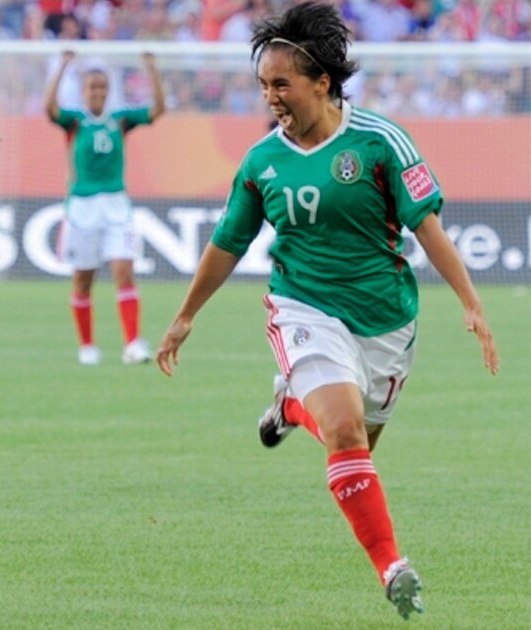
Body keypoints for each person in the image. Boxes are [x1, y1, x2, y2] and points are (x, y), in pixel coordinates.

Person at [155, 1, 498, 620]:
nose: (271, 96)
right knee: (342, 429)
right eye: (263, 85)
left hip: (387, 320)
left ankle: (290, 406)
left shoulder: (379, 141)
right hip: (302, 307)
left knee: (358, 441)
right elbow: (228, 242)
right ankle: (392, 566)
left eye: (281, 83)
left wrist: (471, 303)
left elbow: (427, 225)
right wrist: (185, 316)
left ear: (323, 81)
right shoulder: (263, 161)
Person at [44, 50, 165, 366]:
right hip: (82, 208)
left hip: (117, 207)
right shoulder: (74, 121)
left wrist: (151, 69)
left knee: (124, 271)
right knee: (83, 278)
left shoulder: (120, 120)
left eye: (102, 87)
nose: (97, 92)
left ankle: (133, 343)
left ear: (108, 90)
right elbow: (49, 108)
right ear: (83, 92)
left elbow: (158, 110)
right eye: (92, 88)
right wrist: (62, 66)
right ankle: (87, 345)